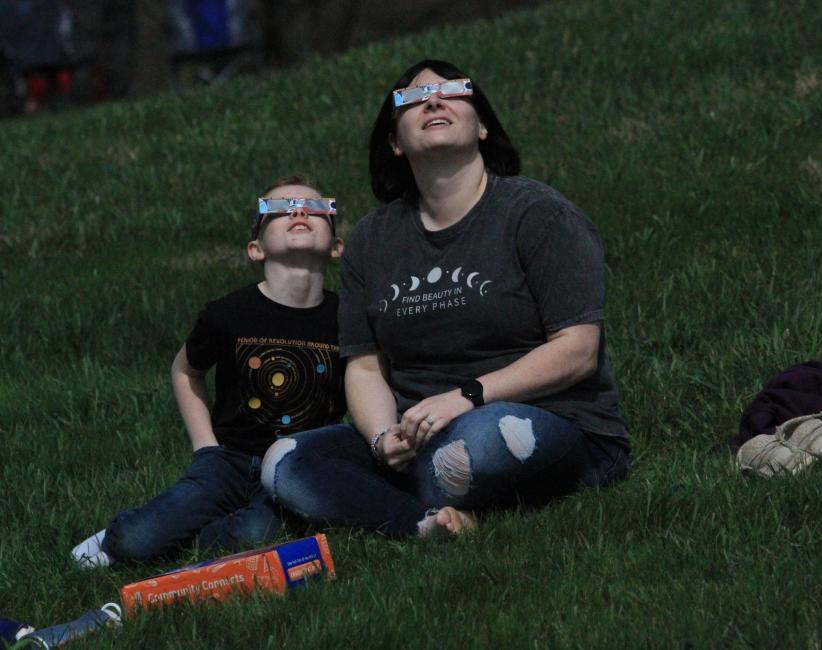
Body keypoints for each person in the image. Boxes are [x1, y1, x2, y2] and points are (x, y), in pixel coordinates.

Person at [261, 59, 630, 538]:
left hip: (542, 417)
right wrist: (379, 439)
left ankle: (376, 500)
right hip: (417, 432)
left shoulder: (538, 214)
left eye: (453, 91)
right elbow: (365, 365)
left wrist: (466, 397)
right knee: (284, 460)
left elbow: (577, 351)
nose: (433, 100)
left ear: (483, 127)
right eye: (411, 99)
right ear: (394, 141)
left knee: (478, 443)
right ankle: (425, 525)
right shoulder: (372, 240)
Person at [71, 176, 346, 566]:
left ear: (337, 246)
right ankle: (123, 534)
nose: (299, 211)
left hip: (295, 472)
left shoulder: (346, 319)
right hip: (228, 462)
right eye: (279, 209)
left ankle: (199, 537)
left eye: (317, 208)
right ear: (255, 248)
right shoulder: (228, 313)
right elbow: (185, 371)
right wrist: (206, 448)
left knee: (253, 538)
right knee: (134, 541)